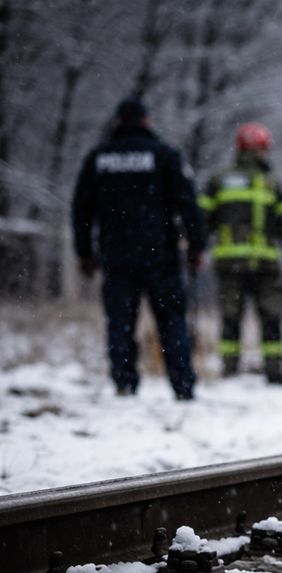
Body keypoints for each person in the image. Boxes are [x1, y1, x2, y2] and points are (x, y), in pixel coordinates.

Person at [71, 97, 206, 401]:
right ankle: (183, 386)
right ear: (146, 120)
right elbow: (188, 204)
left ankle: (124, 383)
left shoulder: (99, 158)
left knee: (120, 322)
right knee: (172, 322)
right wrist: (197, 247)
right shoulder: (165, 155)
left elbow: (81, 209)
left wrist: (84, 252)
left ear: (117, 121)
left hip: (116, 256)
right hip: (161, 256)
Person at [201, 122, 282, 383]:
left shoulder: (219, 180)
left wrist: (198, 247)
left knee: (231, 317)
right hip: (265, 262)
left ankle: (230, 370)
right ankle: (274, 371)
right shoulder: (271, 183)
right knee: (271, 317)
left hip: (230, 261)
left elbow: (202, 219)